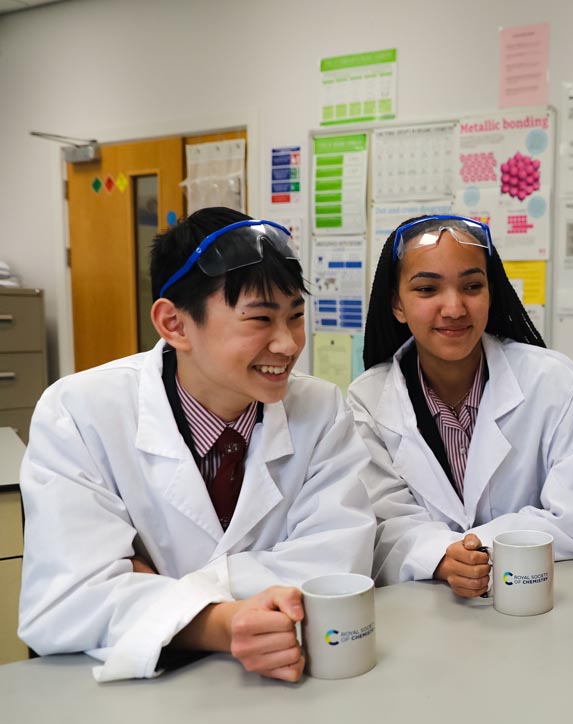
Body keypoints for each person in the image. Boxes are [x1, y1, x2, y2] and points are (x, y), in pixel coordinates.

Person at [19, 207, 375, 683]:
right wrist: (220, 622)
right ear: (175, 325)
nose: (288, 344)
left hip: (288, 683)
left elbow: (337, 563)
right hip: (135, 696)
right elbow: (64, 603)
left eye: (294, 317)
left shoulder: (321, 409)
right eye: (259, 319)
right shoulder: (81, 412)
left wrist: (163, 586)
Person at [350, 215, 573, 595]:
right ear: (397, 303)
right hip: (424, 613)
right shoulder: (367, 402)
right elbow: (378, 526)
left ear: (492, 292)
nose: (455, 308)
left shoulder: (556, 382)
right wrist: (439, 556)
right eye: (427, 289)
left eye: (472, 286)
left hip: (540, 605)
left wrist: (474, 549)